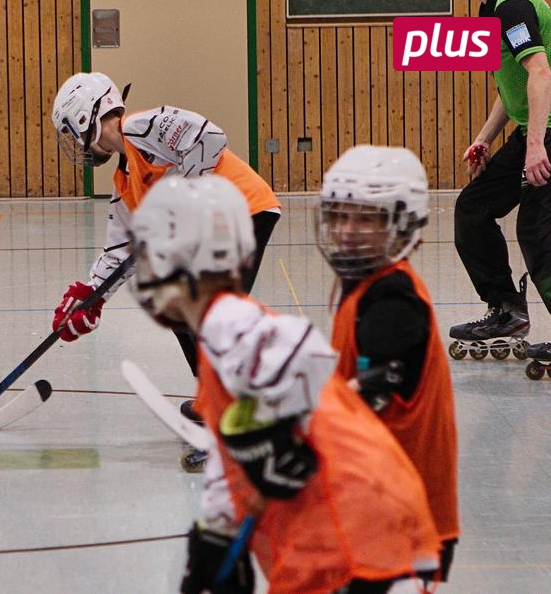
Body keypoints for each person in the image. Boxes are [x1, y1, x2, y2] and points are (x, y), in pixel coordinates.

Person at [128, 175, 441, 593]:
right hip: (348, 526)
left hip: (354, 531)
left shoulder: (227, 321)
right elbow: (226, 448)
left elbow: (304, 352)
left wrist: (276, 434)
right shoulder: (212, 340)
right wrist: (215, 533)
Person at [49, 71, 280, 470]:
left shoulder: (142, 128)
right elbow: (118, 249)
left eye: (71, 131)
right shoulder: (124, 179)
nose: (73, 144)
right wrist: (90, 297)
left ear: (85, 117)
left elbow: (210, 138)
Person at [317, 145, 460, 583]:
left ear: (401, 224)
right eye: (340, 215)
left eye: (366, 218)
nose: (347, 230)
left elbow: (370, 392)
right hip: (375, 499)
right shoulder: (365, 282)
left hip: (399, 512)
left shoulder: (393, 299)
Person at [445, 0, 551, 360]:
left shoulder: (514, 8)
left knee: (536, 233)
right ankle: (507, 310)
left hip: (546, 133)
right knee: (473, 208)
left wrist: (537, 147)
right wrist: (483, 139)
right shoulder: (492, 12)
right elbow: (513, 86)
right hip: (532, 131)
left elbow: (540, 73)